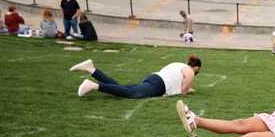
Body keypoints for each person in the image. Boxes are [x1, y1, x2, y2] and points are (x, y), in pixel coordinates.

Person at [71, 55, 201, 98]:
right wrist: (187, 91)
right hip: (159, 85)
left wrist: (187, 89)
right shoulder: (190, 71)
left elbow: (178, 83)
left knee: (120, 87)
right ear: (196, 67)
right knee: (131, 94)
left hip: (154, 79)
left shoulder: (178, 64)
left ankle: (92, 69)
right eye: (198, 71)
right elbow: (183, 90)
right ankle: (93, 85)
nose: (196, 74)